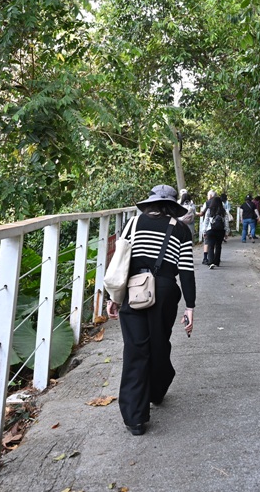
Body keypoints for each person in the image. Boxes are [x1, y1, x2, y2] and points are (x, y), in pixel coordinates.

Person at [106, 185, 195, 436]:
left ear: (150, 203)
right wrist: (190, 307)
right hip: (165, 291)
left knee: (135, 351)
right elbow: (186, 271)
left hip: (134, 289)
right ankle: (157, 389)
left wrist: (115, 297)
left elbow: (120, 264)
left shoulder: (132, 224)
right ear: (172, 205)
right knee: (159, 344)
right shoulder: (181, 229)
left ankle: (135, 419)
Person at [203, 195, 227, 268]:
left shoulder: (209, 210)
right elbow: (226, 222)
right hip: (220, 230)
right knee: (218, 246)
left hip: (210, 230)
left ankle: (211, 262)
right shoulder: (223, 211)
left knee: (211, 246)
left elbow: (206, 221)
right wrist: (226, 231)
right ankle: (217, 262)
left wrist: (204, 231)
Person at [199, 189, 216, 265]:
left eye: (208, 195)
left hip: (208, 225)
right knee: (214, 242)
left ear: (210, 196)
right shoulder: (220, 203)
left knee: (206, 242)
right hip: (217, 225)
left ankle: (205, 258)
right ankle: (213, 257)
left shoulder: (207, 203)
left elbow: (202, 213)